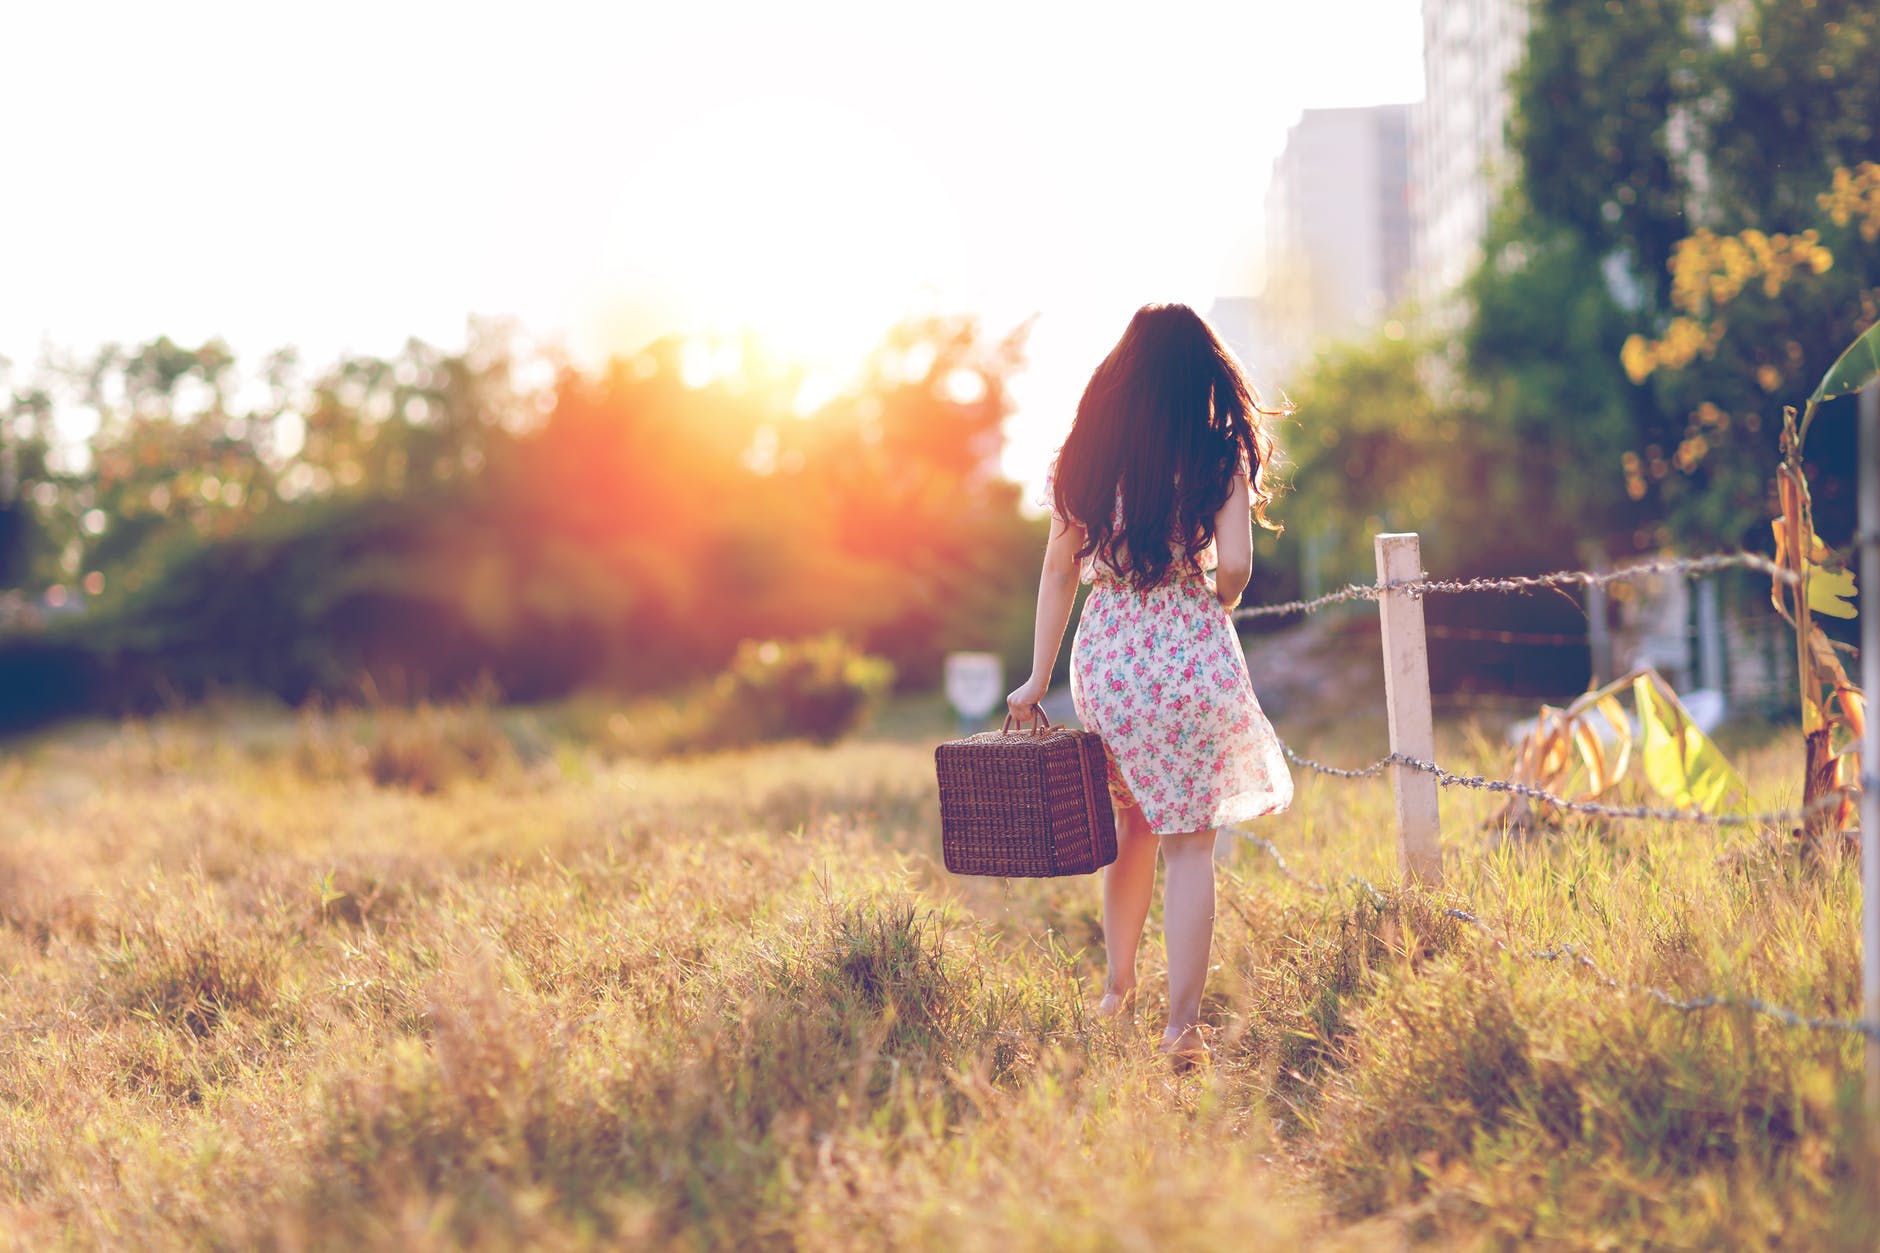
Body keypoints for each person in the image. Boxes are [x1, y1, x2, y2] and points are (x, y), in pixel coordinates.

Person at [1005, 302, 1293, 1068]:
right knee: (1190, 846)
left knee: (1132, 827)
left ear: (1122, 373)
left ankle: (1117, 987)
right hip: (1190, 654)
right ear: (1203, 375)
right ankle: (1183, 1028)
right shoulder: (1218, 456)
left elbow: (1058, 570)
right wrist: (1217, 601)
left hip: (1109, 663)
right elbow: (1234, 568)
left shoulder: (1088, 458)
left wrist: (1036, 676)